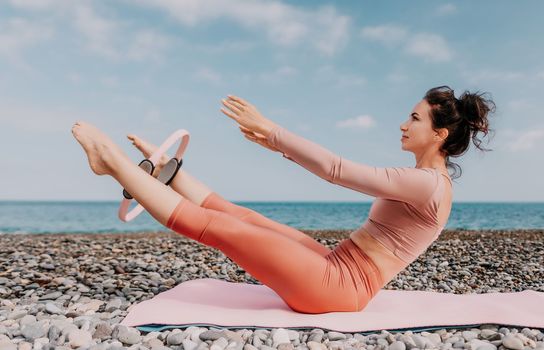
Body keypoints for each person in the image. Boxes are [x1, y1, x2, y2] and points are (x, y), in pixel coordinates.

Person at [71, 85, 495, 314]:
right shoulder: (425, 180)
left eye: (415, 118)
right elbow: (334, 169)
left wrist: (273, 131)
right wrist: (278, 147)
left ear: (439, 134)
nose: (404, 124)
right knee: (240, 217)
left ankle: (111, 162)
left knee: (222, 230)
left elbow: (338, 170)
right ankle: (165, 170)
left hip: (341, 287)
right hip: (337, 265)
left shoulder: (428, 184)